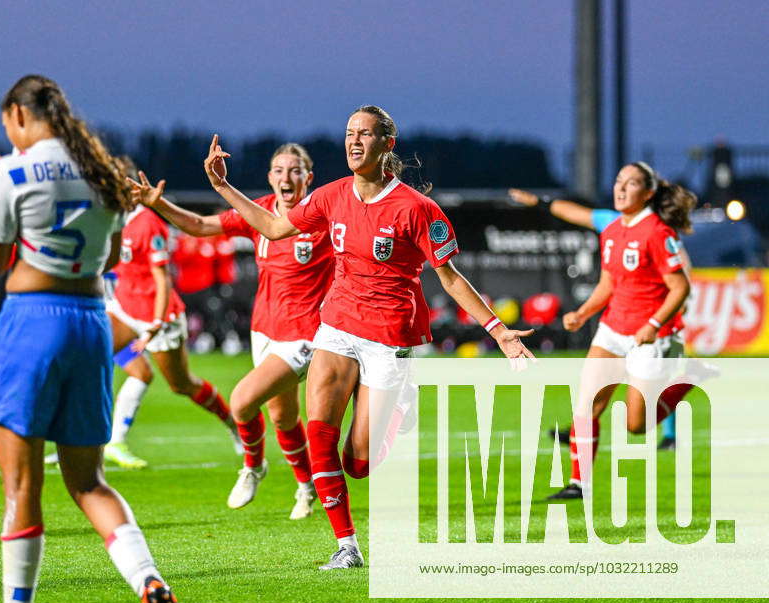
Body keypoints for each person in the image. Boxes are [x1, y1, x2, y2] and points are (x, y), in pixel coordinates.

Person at [192, 106, 534, 569]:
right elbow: (274, 226)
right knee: (319, 435)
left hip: (389, 336)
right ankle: (347, 547)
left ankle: (400, 407)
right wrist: (222, 187)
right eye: (350, 133)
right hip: (335, 326)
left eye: (365, 134)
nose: (354, 141)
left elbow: (450, 278)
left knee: (359, 462)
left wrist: (499, 332)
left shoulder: (417, 209)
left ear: (387, 145)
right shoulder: (332, 195)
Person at [0, 75, 188, 603]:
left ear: (17, 114)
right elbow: (108, 256)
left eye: (6, 120)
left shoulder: (11, 169)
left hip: (33, 320)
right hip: (90, 324)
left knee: (22, 483)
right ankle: (150, 581)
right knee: (89, 481)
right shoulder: (105, 172)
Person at [129, 143, 331, 519]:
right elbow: (201, 226)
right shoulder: (261, 211)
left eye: (295, 170)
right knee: (282, 416)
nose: (286, 177)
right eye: (279, 170)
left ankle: (253, 466)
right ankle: (306, 486)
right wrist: (159, 204)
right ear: (270, 177)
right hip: (265, 329)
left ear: (309, 178)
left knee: (241, 400)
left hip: (306, 333)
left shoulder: (323, 216)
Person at [547, 162, 697, 500]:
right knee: (587, 404)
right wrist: (583, 313)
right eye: (618, 181)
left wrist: (653, 324)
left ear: (647, 194)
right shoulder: (612, 230)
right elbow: (609, 282)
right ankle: (579, 484)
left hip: (649, 335)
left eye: (631, 184)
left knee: (636, 425)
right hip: (613, 328)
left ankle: (691, 379)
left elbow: (680, 287)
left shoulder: (659, 232)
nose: (621, 188)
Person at [508, 187, 691, 449]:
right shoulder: (613, 222)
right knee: (592, 396)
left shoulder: (660, 233)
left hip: (654, 324)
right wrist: (541, 201)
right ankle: (578, 474)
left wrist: (671, 311)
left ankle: (672, 429)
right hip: (619, 323)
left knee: (640, 415)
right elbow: (577, 214)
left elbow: (683, 275)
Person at [97, 157, 243, 469]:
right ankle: (103, 442)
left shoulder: (148, 223)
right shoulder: (110, 218)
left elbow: (163, 280)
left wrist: (156, 323)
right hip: (124, 309)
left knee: (181, 384)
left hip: (157, 316)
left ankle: (234, 423)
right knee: (88, 362)